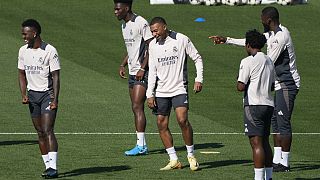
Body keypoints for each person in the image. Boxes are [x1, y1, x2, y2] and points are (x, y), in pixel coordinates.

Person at [209, 6, 300, 172]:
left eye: (262, 19)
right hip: (275, 83)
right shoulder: (272, 33)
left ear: (269, 20)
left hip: (287, 83)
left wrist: (251, 68)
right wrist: (227, 40)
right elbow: (255, 42)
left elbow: (267, 61)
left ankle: (285, 163)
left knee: (283, 122)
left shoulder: (281, 37)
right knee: (274, 122)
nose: (261, 21)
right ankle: (277, 160)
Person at [146, 17, 203, 171]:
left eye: (156, 30)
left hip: (179, 88)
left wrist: (199, 79)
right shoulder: (152, 45)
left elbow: (197, 58)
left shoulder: (181, 39)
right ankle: (173, 159)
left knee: (182, 120)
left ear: (164, 27)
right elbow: (152, 71)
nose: (154, 34)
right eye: (152, 31)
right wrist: (149, 94)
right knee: (161, 124)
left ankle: (191, 155)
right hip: (161, 91)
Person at [18, 19, 60, 178]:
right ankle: (48, 166)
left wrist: (55, 99)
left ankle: (54, 167)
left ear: (34, 33)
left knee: (48, 129)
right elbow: (21, 73)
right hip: (33, 96)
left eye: (25, 33)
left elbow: (56, 76)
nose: (23, 36)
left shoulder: (50, 50)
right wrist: (23, 94)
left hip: (47, 95)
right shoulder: (23, 51)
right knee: (40, 132)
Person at [113, 0, 154, 156]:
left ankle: (141, 146)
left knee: (137, 106)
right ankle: (141, 144)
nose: (115, 12)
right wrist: (123, 64)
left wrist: (143, 68)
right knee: (136, 107)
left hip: (143, 71)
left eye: (118, 9)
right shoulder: (124, 25)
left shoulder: (140, 22)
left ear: (126, 8)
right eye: (114, 9)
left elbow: (151, 46)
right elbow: (131, 48)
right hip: (132, 71)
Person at [237, 29, 275, 180]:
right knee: (265, 141)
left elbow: (240, 86)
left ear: (248, 45)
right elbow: (272, 85)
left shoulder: (247, 61)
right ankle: (269, 177)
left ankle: (258, 178)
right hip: (268, 104)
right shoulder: (269, 60)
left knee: (256, 142)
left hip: (253, 105)